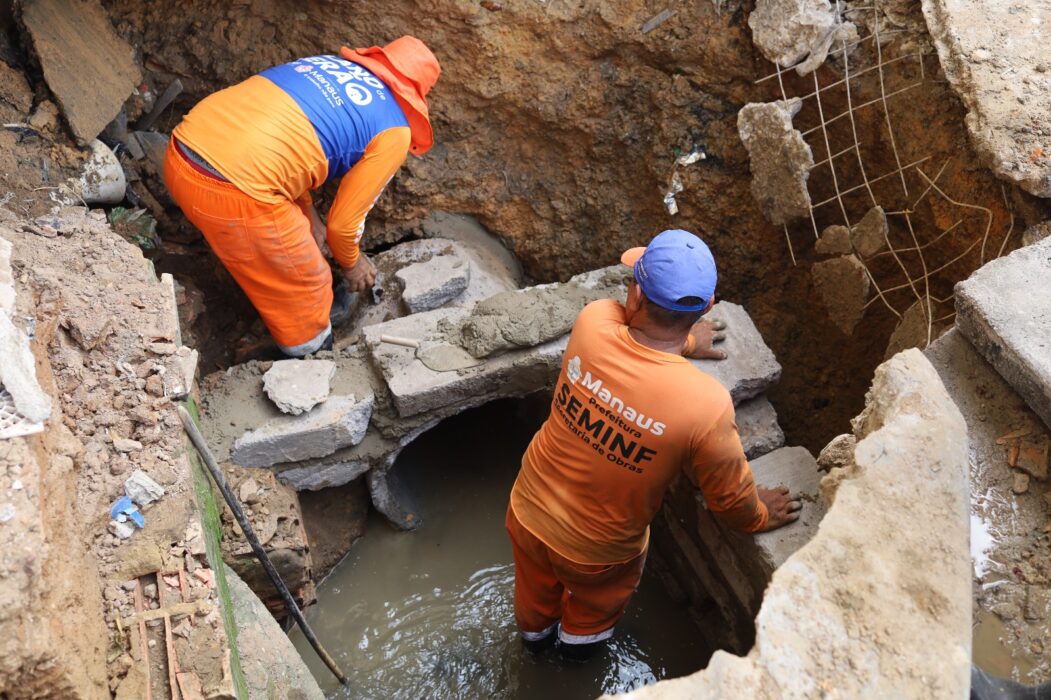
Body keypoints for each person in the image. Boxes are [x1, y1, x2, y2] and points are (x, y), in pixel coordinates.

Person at [506, 229, 801, 661]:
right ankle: (572, 661)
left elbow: (636, 338)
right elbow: (729, 501)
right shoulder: (704, 405)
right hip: (598, 553)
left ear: (636, 296)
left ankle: (533, 645)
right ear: (708, 307)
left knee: (534, 592)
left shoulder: (594, 321)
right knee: (591, 611)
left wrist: (680, 343)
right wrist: (758, 515)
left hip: (527, 509)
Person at [163, 36, 440, 356]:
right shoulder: (394, 130)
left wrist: (311, 219)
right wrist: (353, 264)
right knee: (311, 285)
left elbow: (289, 151)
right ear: (416, 96)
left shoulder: (323, 65)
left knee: (288, 242)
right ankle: (308, 362)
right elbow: (345, 226)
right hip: (231, 193)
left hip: (181, 153)